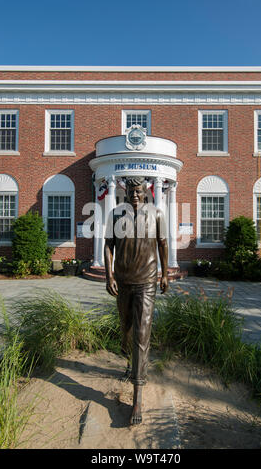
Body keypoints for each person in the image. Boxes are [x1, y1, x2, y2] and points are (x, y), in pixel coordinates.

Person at [104, 176, 168, 425]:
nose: (135, 194)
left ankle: (137, 397)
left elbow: (163, 244)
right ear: (125, 190)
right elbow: (108, 245)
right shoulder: (116, 214)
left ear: (147, 191)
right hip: (123, 281)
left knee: (142, 335)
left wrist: (164, 274)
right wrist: (109, 275)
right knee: (127, 330)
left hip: (147, 281)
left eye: (139, 190)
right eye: (131, 190)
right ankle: (131, 363)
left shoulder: (157, 215)